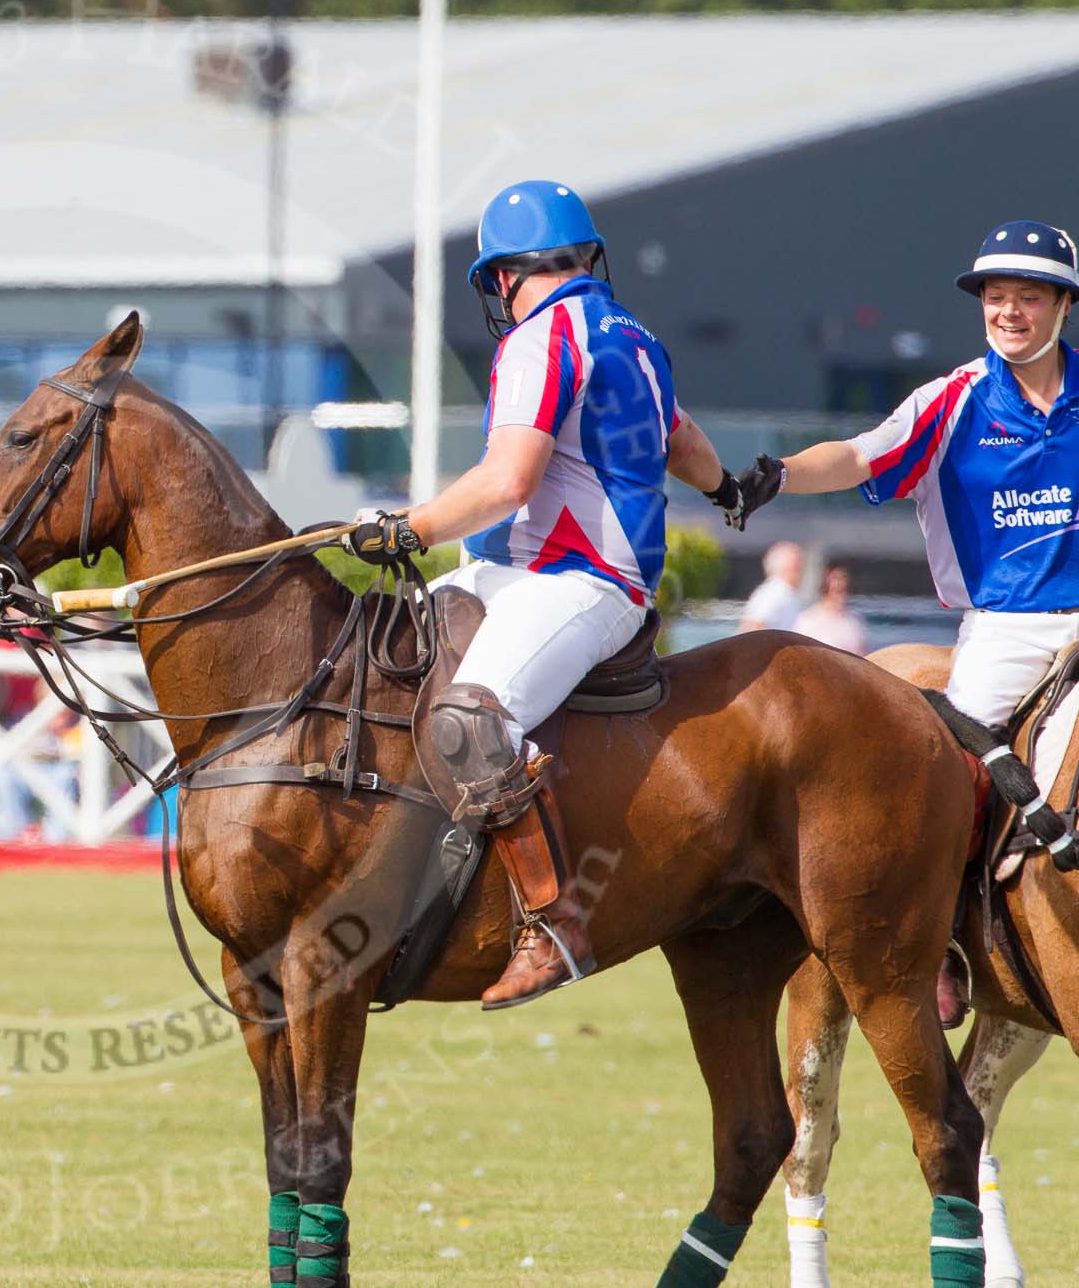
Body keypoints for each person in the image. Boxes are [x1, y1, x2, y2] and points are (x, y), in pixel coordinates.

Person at [349, 180, 746, 1008]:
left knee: (470, 717)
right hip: (521, 572)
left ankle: (554, 918)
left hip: (578, 579)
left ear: (500, 278)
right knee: (378, 653)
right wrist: (730, 491)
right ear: (585, 258)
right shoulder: (637, 337)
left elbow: (507, 479)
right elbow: (683, 439)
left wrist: (408, 527)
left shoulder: (538, 340)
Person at [734, 219, 1079, 871]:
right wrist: (781, 473)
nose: (1008, 311)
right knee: (944, 783)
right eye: (995, 295)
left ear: (1064, 305)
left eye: (1029, 296)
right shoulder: (951, 401)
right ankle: (946, 945)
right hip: (1008, 628)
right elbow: (860, 456)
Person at [792, 565, 869, 654]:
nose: (841, 584)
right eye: (836, 588)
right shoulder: (808, 620)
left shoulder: (855, 621)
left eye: (844, 588)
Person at [739, 541, 806, 631]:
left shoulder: (785, 592)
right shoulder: (773, 593)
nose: (801, 571)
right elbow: (753, 626)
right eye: (797, 566)